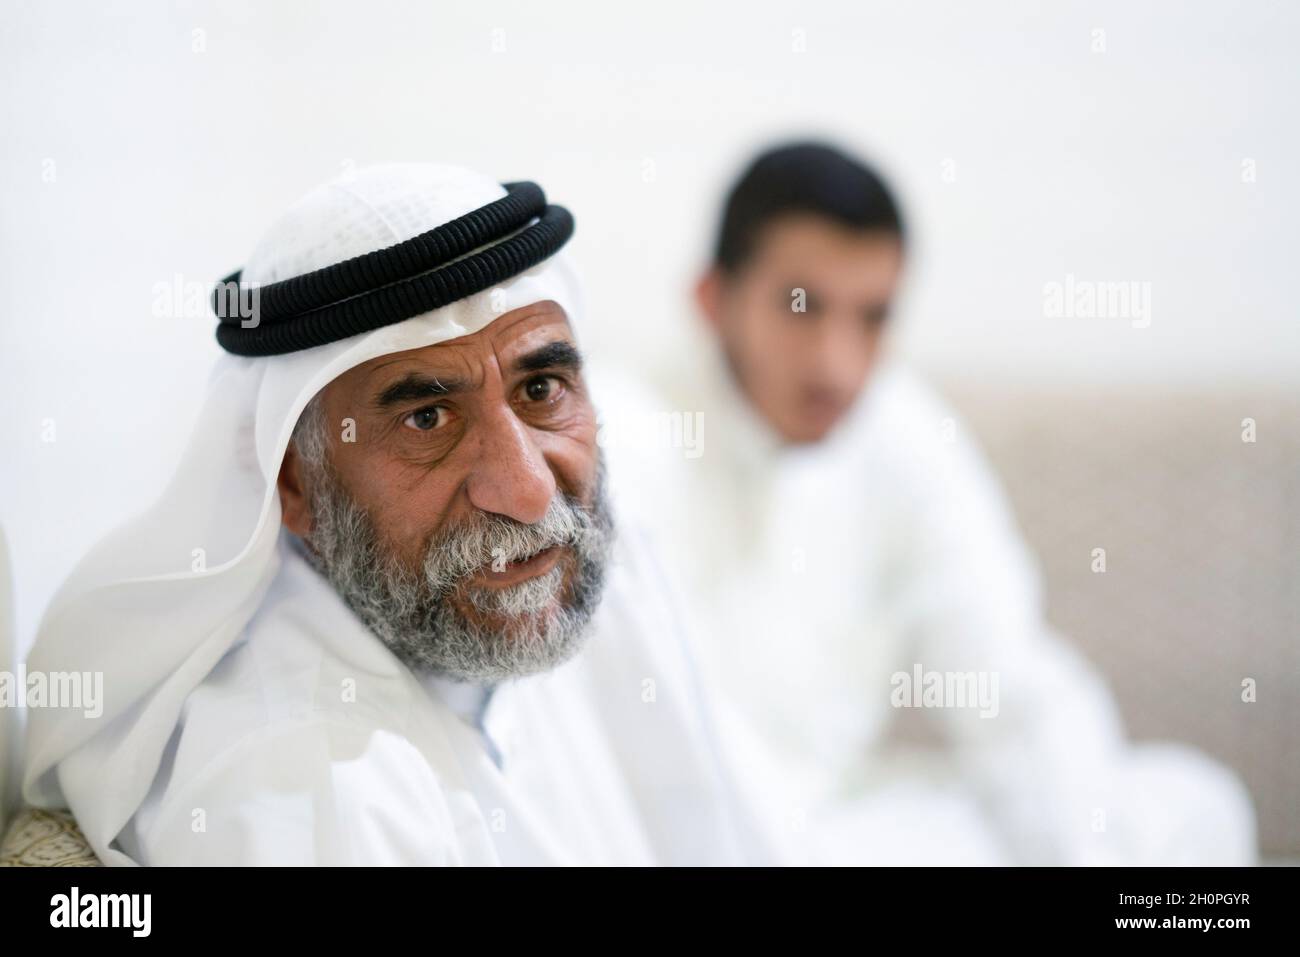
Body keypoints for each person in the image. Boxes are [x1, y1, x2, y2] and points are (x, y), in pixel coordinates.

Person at [20, 163, 773, 866]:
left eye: (541, 390)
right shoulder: (314, 792)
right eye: (427, 419)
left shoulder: (595, 585)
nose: (527, 490)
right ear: (294, 484)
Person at [602, 141, 1257, 865]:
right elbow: (659, 752)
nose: (836, 362)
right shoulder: (621, 437)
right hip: (694, 839)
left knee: (1192, 801)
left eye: (873, 316)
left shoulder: (900, 430)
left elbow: (1005, 681)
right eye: (803, 307)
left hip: (854, 821)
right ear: (712, 298)